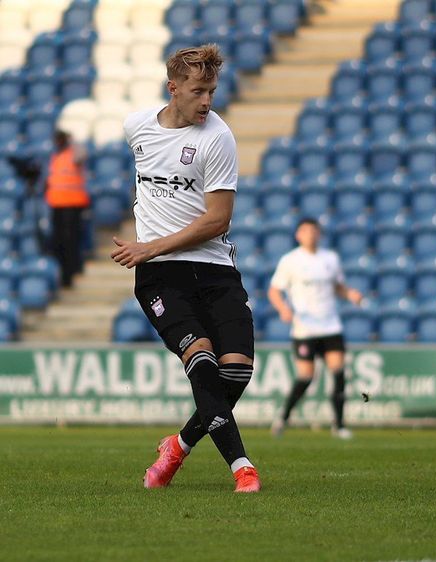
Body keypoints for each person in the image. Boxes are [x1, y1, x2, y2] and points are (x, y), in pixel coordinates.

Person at [114, 44, 260, 493]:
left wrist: (148, 244)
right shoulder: (136, 127)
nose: (207, 101)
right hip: (161, 274)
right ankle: (242, 468)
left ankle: (177, 445)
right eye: (198, 91)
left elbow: (217, 220)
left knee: (236, 371)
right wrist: (150, 250)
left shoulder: (217, 138)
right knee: (200, 359)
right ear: (172, 88)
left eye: (212, 91)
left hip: (213, 267)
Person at [267, 218, 364, 439]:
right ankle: (284, 416)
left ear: (319, 234)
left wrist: (350, 294)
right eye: (306, 231)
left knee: (338, 371)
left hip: (330, 325)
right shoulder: (290, 260)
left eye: (314, 231)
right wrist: (283, 309)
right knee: (306, 376)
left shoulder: (330, 258)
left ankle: (339, 425)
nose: (310, 234)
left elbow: (338, 286)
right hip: (305, 329)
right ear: (298, 235)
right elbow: (274, 291)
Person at [46, 130, 90, 287]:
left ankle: (71, 273)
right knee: (59, 243)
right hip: (57, 205)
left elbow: (82, 154)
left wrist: (72, 140)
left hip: (73, 205)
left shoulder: (73, 153)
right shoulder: (55, 156)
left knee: (71, 242)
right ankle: (64, 275)